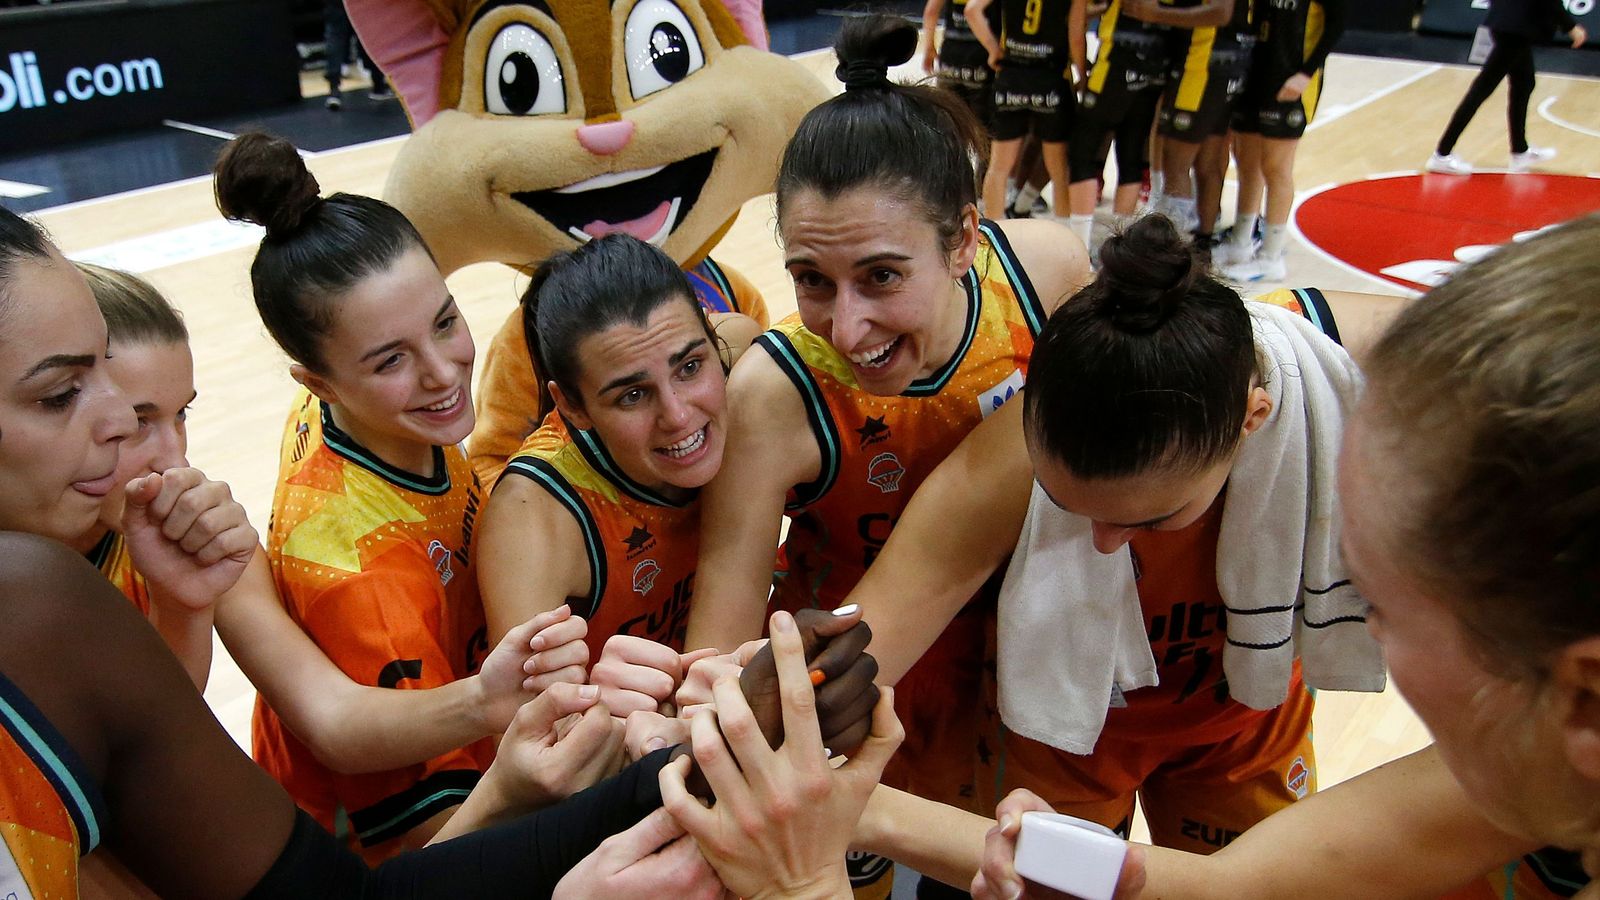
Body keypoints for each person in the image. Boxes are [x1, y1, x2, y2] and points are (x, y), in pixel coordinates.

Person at [970, 211, 1600, 900]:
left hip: (1241, 719)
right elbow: (1234, 887)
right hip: (1083, 733)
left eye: (1376, 605)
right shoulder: (1520, 776)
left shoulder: (1308, 363)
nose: (1102, 541)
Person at [685, 14, 1088, 895]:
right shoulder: (776, 392)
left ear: (965, 241)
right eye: (810, 279)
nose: (846, 324)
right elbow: (715, 650)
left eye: (880, 276)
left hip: (1034, 671)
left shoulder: (1048, 276)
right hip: (867, 698)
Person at [841, 216, 1392, 857]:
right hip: (1066, 730)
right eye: (1068, 506)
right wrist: (768, 697)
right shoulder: (1010, 456)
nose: (1104, 541)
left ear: (1253, 419)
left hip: (1246, 716)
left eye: (1149, 518)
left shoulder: (1328, 366)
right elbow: (878, 620)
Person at [214, 131, 514, 861]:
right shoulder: (362, 571)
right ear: (316, 384)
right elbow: (429, 841)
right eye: (393, 361)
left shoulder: (366, 411)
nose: (444, 372)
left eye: (445, 321)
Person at [477, 234, 733, 707]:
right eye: (632, 395)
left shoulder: (744, 358)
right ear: (572, 408)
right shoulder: (533, 517)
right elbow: (526, 743)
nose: (678, 415)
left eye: (690, 366)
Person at [1217, 0, 1346, 282]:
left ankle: (1271, 256)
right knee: (1247, 162)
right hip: (1255, 74)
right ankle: (1241, 240)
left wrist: (1306, 73)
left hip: (1290, 80)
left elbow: (1338, 23)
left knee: (1276, 167)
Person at [1427, 0, 1586, 176]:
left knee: (1524, 83)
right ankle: (1442, 154)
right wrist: (1571, 26)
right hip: (1515, 27)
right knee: (1481, 89)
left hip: (1508, 22)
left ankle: (1520, 151)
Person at [1060, 0, 1171, 249]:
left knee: (1082, 153)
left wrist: (1082, 70)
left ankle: (1080, 245)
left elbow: (1076, 25)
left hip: (1116, 64)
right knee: (1131, 156)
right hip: (1155, 68)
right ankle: (1118, 245)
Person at [964, 0, 1075, 222]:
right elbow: (1076, 32)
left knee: (998, 168)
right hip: (1050, 79)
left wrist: (993, 49)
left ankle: (995, 237)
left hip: (1011, 77)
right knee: (1060, 171)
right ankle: (1066, 232)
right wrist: (1081, 70)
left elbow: (971, 10)